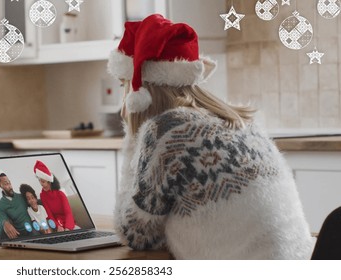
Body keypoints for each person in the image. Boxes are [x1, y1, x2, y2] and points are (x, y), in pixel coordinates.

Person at [107, 14, 314, 259]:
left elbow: (136, 235)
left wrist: (132, 141)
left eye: (124, 86)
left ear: (139, 92)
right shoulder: (242, 121)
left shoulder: (166, 133)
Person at [33, 160, 76, 231]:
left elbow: (68, 213)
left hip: (67, 221)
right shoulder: (43, 196)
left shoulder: (60, 194)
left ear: (49, 182)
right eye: (40, 181)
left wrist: (67, 228)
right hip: (56, 223)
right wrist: (57, 225)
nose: (41, 184)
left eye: (43, 181)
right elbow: (49, 214)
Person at [0, 168, 33, 240]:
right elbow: (0, 220)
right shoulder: (1, 204)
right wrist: (4, 223)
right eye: (5, 183)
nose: (9, 186)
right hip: (20, 234)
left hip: (33, 229)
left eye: (9, 182)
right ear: (0, 185)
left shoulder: (21, 196)